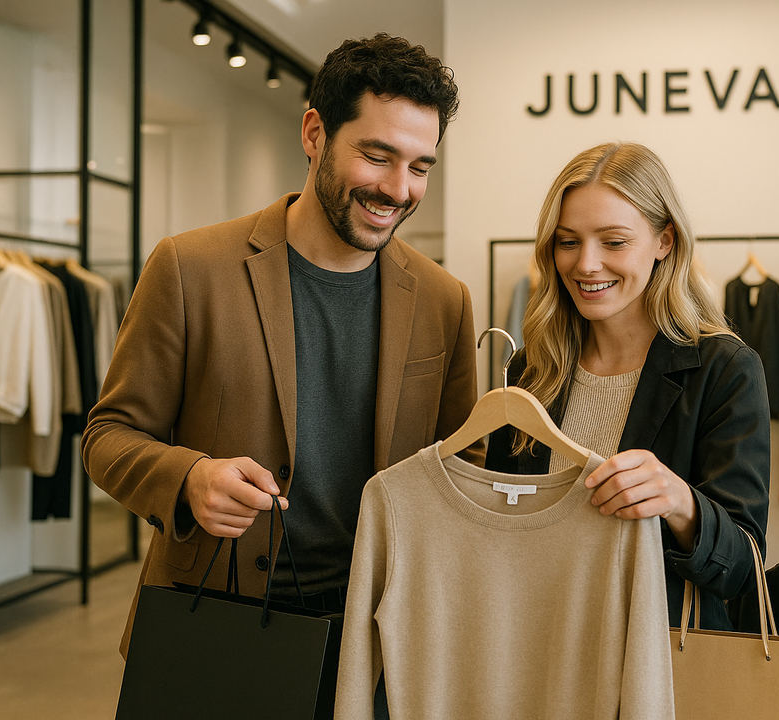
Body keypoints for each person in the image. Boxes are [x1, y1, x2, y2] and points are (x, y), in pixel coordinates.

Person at [81, 33, 484, 659]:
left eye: (420, 167)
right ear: (315, 134)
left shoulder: (444, 300)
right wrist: (189, 477)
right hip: (218, 618)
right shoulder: (190, 267)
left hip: (380, 634)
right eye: (377, 157)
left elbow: (464, 468)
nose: (399, 189)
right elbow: (108, 436)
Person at [485, 142, 770, 630]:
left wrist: (682, 503)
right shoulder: (534, 368)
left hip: (657, 666)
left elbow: (744, 569)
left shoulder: (725, 370)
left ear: (665, 241)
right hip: (536, 647)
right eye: (568, 241)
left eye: (613, 242)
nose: (586, 265)